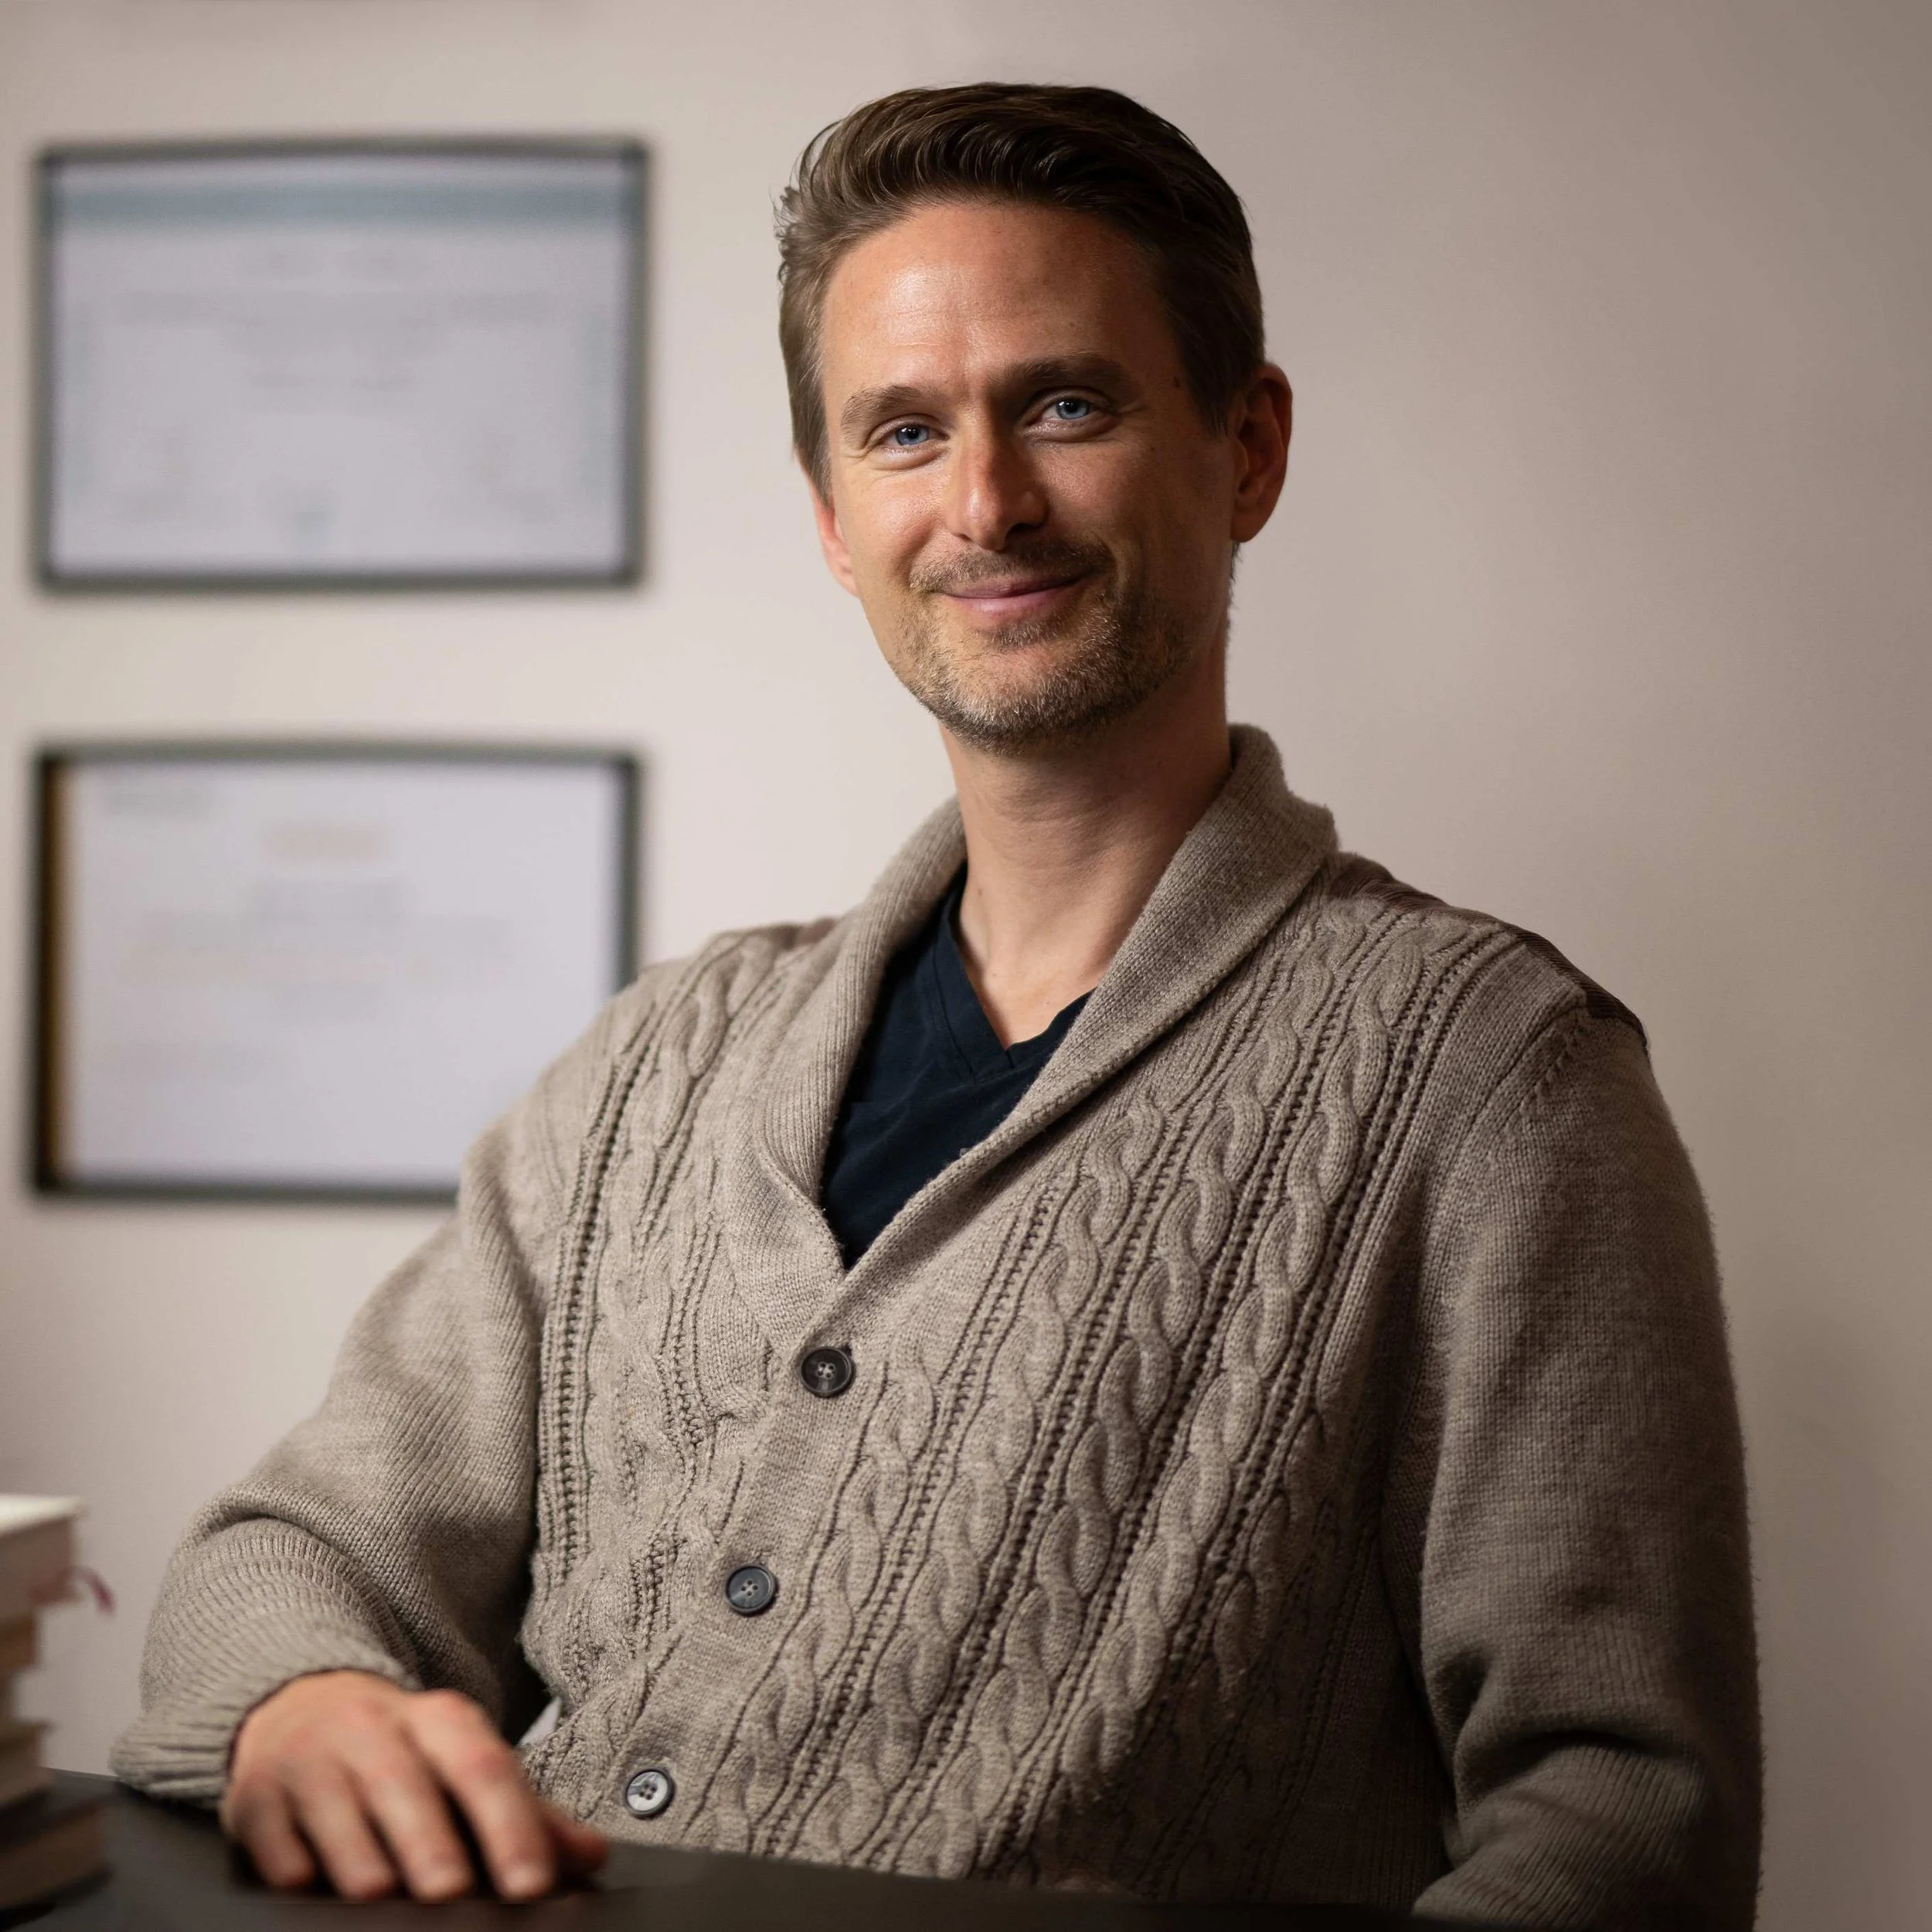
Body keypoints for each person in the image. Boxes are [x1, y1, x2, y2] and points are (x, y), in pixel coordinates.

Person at [113, 83, 1760, 1925]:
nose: (984, 503)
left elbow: (1622, 1813)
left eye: (1064, 404)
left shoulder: (1487, 1076)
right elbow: (299, 1544)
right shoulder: (658, 1064)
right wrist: (304, 1701)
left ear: (1245, 449)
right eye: (904, 431)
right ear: (835, 517)